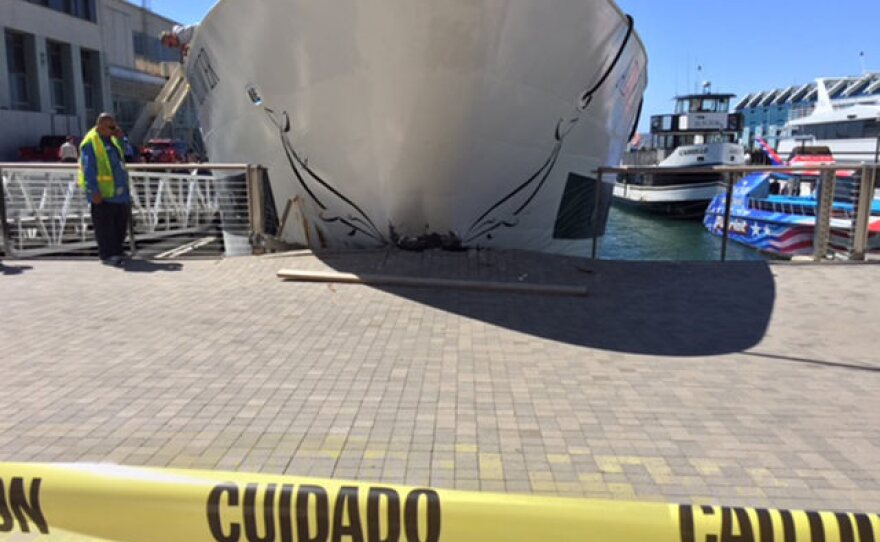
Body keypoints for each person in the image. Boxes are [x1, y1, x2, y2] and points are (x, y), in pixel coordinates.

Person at [78, 113, 131, 266]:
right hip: (103, 193)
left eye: (115, 126)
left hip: (119, 192)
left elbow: (126, 153)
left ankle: (118, 250)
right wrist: (93, 191)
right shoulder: (91, 142)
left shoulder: (113, 139)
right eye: (111, 127)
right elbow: (88, 169)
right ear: (100, 126)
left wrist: (121, 138)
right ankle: (108, 254)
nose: (115, 129)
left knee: (120, 224)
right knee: (105, 227)